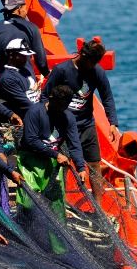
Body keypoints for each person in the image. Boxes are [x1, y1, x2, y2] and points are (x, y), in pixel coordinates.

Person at [42, 37, 119, 201]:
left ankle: (98, 205)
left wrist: (113, 123)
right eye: (92, 63)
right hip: (62, 125)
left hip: (86, 125)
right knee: (62, 165)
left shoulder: (96, 71)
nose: (93, 67)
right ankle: (60, 203)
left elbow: (107, 97)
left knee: (94, 164)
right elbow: (44, 96)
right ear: (83, 56)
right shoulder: (61, 70)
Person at [17, 84, 87, 223]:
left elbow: (74, 144)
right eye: (58, 104)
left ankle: (58, 243)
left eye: (65, 105)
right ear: (51, 99)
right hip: (30, 162)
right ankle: (27, 233)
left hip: (52, 164)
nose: (61, 108)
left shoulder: (68, 117)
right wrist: (57, 155)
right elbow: (31, 140)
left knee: (56, 206)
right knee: (28, 203)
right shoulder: (35, 112)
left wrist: (81, 167)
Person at [0, 0, 48, 76]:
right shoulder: (31, 27)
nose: (26, 12)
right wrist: (47, 74)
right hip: (25, 78)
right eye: (25, 8)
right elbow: (41, 62)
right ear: (19, 8)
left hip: (1, 78)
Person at [0, 38, 41, 119]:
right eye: (22, 55)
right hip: (21, 121)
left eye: (26, 55)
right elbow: (27, 104)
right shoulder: (7, 78)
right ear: (11, 55)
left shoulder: (25, 69)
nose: (26, 58)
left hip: (35, 113)